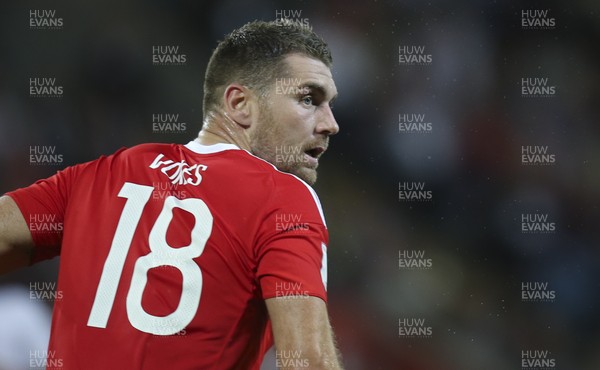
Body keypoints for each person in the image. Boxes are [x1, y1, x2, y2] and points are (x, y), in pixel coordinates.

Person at [0, 19, 342, 369]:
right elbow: (309, 361)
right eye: (308, 99)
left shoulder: (101, 173)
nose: (330, 123)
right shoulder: (283, 198)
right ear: (240, 104)